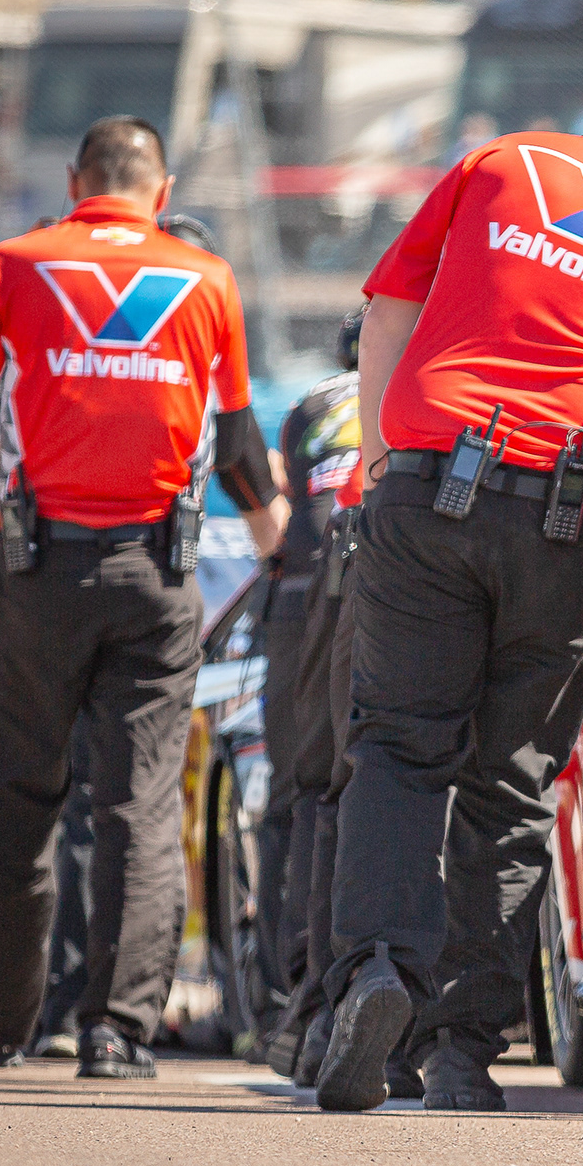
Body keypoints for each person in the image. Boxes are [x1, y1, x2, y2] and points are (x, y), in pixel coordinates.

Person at [318, 34, 583, 1112]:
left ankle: (376, 968)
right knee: (510, 788)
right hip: (569, 520)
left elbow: (387, 310)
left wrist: (380, 467)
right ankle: (464, 1048)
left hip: (432, 484)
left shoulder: (502, 163)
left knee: (398, 748)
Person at [0, 115, 288, 1077]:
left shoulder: (17, 262)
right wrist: (278, 547)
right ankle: (119, 1031)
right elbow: (243, 450)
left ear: (78, 179)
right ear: (161, 195)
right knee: (139, 807)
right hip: (158, 578)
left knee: (16, 802)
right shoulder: (207, 278)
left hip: (38, 576)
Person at [254, 307, 364, 1055]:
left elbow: (281, 496)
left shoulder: (311, 405)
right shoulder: (428, 387)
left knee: (301, 796)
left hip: (304, 596)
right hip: (390, 581)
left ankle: (293, 1002)